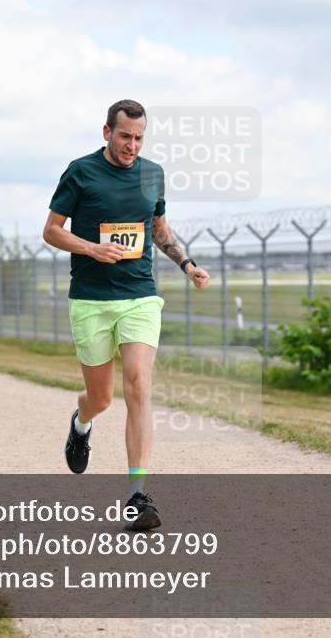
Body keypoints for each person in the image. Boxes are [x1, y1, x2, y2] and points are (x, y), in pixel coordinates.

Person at [43, 100, 210, 531]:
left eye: (139, 138)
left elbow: (158, 230)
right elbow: (52, 230)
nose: (132, 145)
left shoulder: (153, 174)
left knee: (138, 384)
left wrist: (187, 264)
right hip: (91, 300)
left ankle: (137, 495)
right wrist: (92, 248)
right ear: (106, 132)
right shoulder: (80, 172)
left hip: (139, 295)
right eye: (124, 136)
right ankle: (81, 423)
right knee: (101, 398)